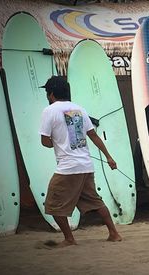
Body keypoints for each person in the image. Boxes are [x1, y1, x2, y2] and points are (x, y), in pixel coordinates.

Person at [39, 76, 122, 247]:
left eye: (48, 93)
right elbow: (93, 136)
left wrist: (59, 141)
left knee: (52, 204)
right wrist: (109, 157)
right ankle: (114, 233)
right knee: (96, 201)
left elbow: (45, 142)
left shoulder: (49, 111)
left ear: (51, 93)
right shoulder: (80, 109)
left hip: (68, 169)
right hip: (85, 166)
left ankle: (69, 239)